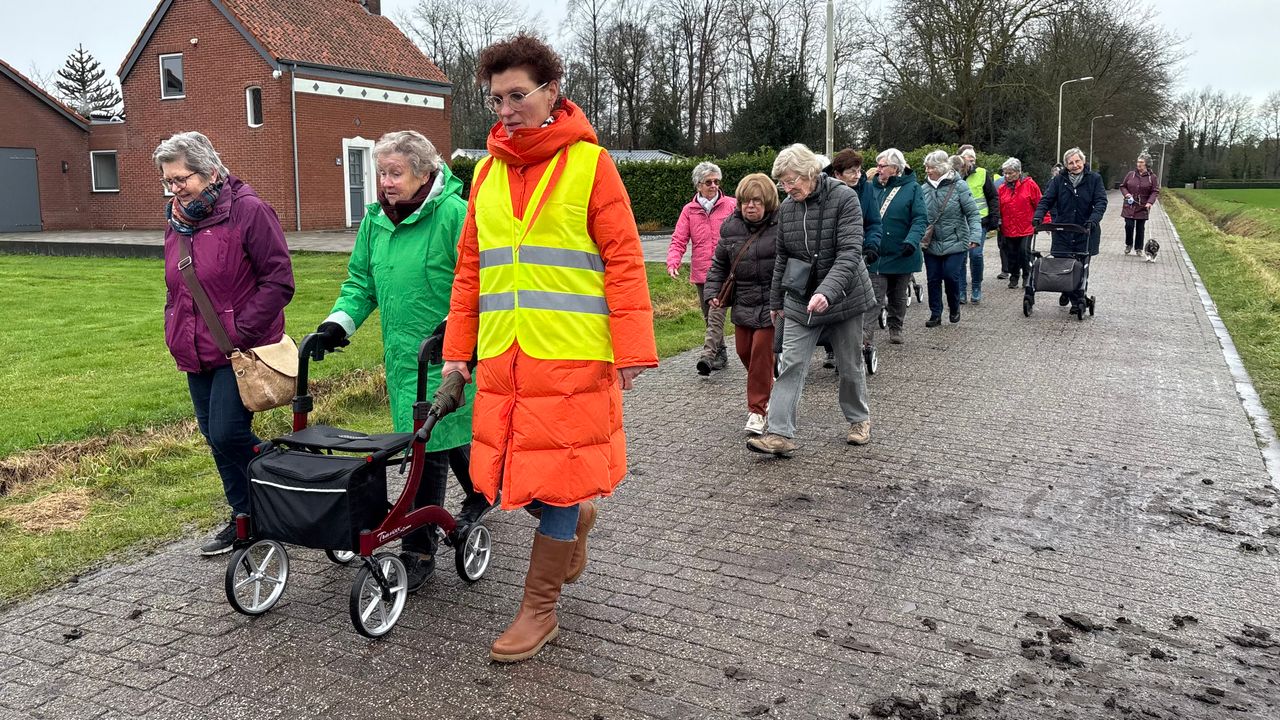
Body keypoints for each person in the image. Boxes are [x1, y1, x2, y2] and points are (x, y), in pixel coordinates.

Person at [441, 34, 657, 663]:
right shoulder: (484, 173)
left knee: (559, 480)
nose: (505, 110)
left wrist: (631, 350)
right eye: (496, 98)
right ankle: (575, 523)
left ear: (552, 91)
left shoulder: (592, 165)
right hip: (503, 356)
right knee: (509, 473)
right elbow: (469, 273)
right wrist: (458, 352)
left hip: (572, 355)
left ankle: (540, 609)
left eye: (517, 95)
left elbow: (624, 260)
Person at [314, 130, 490, 591]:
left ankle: (419, 549)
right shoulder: (376, 221)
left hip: (445, 356)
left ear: (424, 172)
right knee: (441, 438)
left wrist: (457, 332)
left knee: (426, 449)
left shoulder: (454, 215)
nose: (385, 182)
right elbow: (361, 283)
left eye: (395, 173)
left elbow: (479, 281)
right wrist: (338, 324)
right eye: (382, 173)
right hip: (401, 360)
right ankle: (483, 490)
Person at [155, 131, 294, 556]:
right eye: (168, 181)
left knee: (228, 432)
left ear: (211, 172)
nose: (174, 189)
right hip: (194, 349)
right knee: (215, 438)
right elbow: (178, 287)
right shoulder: (178, 220)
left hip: (240, 351)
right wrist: (174, 328)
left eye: (181, 179)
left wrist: (238, 333)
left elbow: (279, 281)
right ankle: (244, 518)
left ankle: (290, 479)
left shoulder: (249, 211)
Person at [746, 143, 876, 457]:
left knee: (849, 365)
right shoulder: (788, 208)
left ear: (810, 172)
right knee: (790, 364)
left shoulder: (844, 198)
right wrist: (776, 302)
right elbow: (782, 257)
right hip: (800, 298)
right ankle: (779, 434)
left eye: (792, 181)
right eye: (783, 183)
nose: (788, 188)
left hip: (844, 297)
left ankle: (859, 420)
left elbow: (849, 254)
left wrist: (826, 292)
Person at [703, 174, 780, 436]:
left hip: (772, 303)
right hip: (744, 301)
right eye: (746, 201)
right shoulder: (731, 227)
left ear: (767, 202)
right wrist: (713, 292)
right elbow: (719, 264)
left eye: (757, 201)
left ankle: (758, 410)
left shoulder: (782, 225)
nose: (750, 206)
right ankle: (768, 384)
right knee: (744, 351)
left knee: (760, 353)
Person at [667, 161, 736, 375]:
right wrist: (673, 262)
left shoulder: (731, 205)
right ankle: (720, 353)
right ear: (698, 185)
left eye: (717, 181)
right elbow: (679, 239)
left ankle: (708, 355)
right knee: (709, 316)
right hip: (702, 272)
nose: (714, 185)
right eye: (709, 182)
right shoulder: (689, 210)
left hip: (726, 272)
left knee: (716, 312)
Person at [1033, 147, 1108, 318]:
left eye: (1077, 161)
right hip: (1063, 231)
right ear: (1066, 165)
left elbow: (1101, 202)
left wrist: (1093, 219)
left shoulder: (1094, 179)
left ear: (1083, 161)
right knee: (1061, 265)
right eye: (1071, 163)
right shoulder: (1058, 180)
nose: (1075, 165)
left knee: (1081, 267)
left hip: (1085, 231)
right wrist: (1038, 215)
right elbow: (1046, 200)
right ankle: (1068, 291)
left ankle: (1076, 302)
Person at [866, 148, 927, 344]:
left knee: (898, 295)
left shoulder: (913, 188)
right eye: (878, 165)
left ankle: (896, 326)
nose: (878, 169)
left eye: (882, 166)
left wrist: (912, 240)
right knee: (874, 296)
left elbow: (920, 218)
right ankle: (865, 337)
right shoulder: (871, 188)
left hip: (903, 252)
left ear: (895, 168)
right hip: (877, 254)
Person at [919, 150, 982, 327]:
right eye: (926, 167)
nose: (927, 171)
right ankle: (935, 314)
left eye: (930, 167)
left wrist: (975, 235)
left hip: (956, 240)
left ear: (941, 167)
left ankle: (954, 307)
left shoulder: (959, 186)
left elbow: (973, 214)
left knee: (950, 276)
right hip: (931, 242)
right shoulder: (923, 189)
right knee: (932, 278)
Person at [956, 147, 1000, 304]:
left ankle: (976, 286)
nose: (970, 160)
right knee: (961, 256)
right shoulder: (954, 174)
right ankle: (961, 290)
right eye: (966, 157)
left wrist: (994, 218)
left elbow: (993, 196)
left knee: (975, 254)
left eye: (972, 158)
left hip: (979, 221)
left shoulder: (982, 173)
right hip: (960, 222)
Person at [996, 157, 1042, 289]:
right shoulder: (1002, 188)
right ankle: (1014, 276)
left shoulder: (1030, 185)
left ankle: (1027, 276)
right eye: (1005, 173)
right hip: (1008, 227)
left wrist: (1044, 221)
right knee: (1011, 253)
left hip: (1026, 226)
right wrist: (997, 221)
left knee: (1024, 252)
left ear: (1018, 172)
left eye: (1010, 173)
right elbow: (998, 207)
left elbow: (1039, 203)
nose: (1007, 176)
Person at [1120, 154, 1160, 260]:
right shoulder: (1131, 174)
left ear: (1147, 164)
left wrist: (1150, 202)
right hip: (1129, 205)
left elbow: (1155, 191)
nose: (1139, 164)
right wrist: (1127, 194)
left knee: (1140, 228)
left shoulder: (1152, 177)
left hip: (1143, 206)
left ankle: (1139, 248)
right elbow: (1123, 186)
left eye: (1141, 162)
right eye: (1138, 162)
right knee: (1129, 225)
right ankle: (1129, 244)